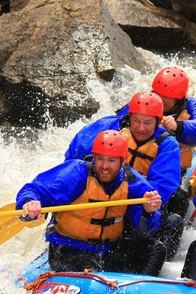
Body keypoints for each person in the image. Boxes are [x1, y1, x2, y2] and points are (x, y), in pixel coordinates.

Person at [16, 130, 165, 274]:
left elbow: (146, 231)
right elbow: (35, 189)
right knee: (90, 269)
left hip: (107, 249)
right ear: (94, 157)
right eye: (100, 159)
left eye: (111, 160)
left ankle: (137, 292)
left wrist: (148, 212)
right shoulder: (76, 173)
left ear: (122, 160)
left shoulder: (133, 183)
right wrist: (30, 201)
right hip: (68, 248)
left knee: (155, 249)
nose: (105, 166)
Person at [64, 92, 184, 259]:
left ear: (158, 121)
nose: (141, 128)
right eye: (136, 121)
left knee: (173, 221)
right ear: (129, 117)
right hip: (105, 190)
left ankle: (159, 262)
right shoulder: (111, 130)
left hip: (135, 198)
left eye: (148, 123)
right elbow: (74, 154)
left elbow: (162, 187)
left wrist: (131, 197)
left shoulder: (167, 144)